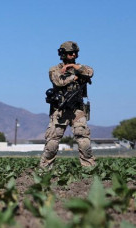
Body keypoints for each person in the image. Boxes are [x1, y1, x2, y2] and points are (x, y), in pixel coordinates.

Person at [39, 41, 95, 169]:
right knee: (52, 142)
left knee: (84, 140)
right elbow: (59, 82)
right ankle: (45, 170)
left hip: (78, 110)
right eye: (70, 53)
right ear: (62, 54)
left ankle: (89, 169)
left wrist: (74, 67)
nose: (74, 55)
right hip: (60, 109)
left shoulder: (81, 68)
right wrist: (75, 77)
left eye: (75, 53)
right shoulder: (54, 69)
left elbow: (90, 72)